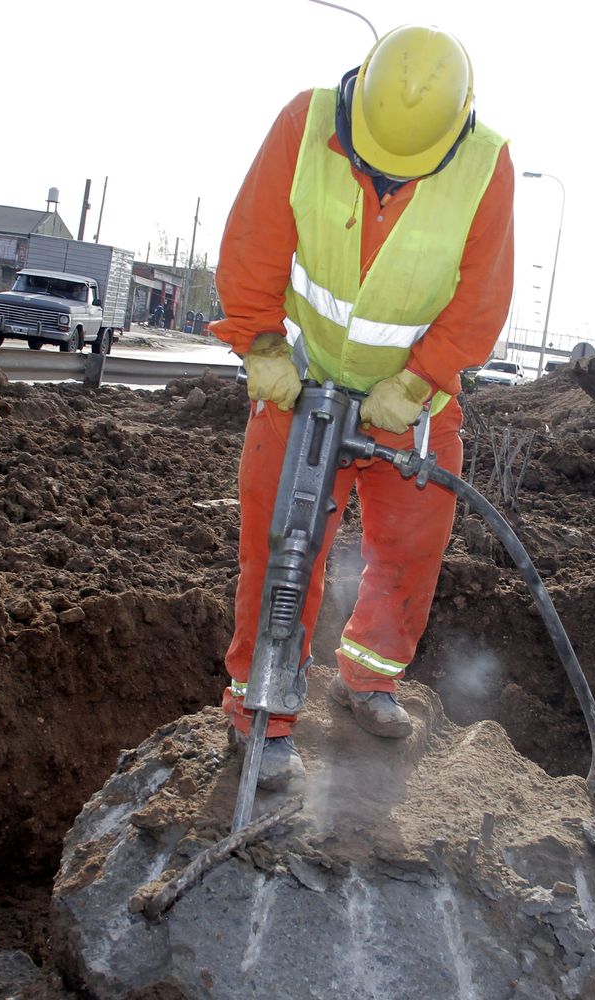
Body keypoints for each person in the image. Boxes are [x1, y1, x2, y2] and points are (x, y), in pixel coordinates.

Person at [211, 24, 515, 786]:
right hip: (301, 380)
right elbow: (253, 244)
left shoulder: (484, 166)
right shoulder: (306, 124)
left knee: (411, 547)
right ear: (357, 102)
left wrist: (417, 384)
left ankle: (369, 678)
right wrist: (261, 346)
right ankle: (263, 710)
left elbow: (481, 297)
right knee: (282, 549)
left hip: (411, 399)